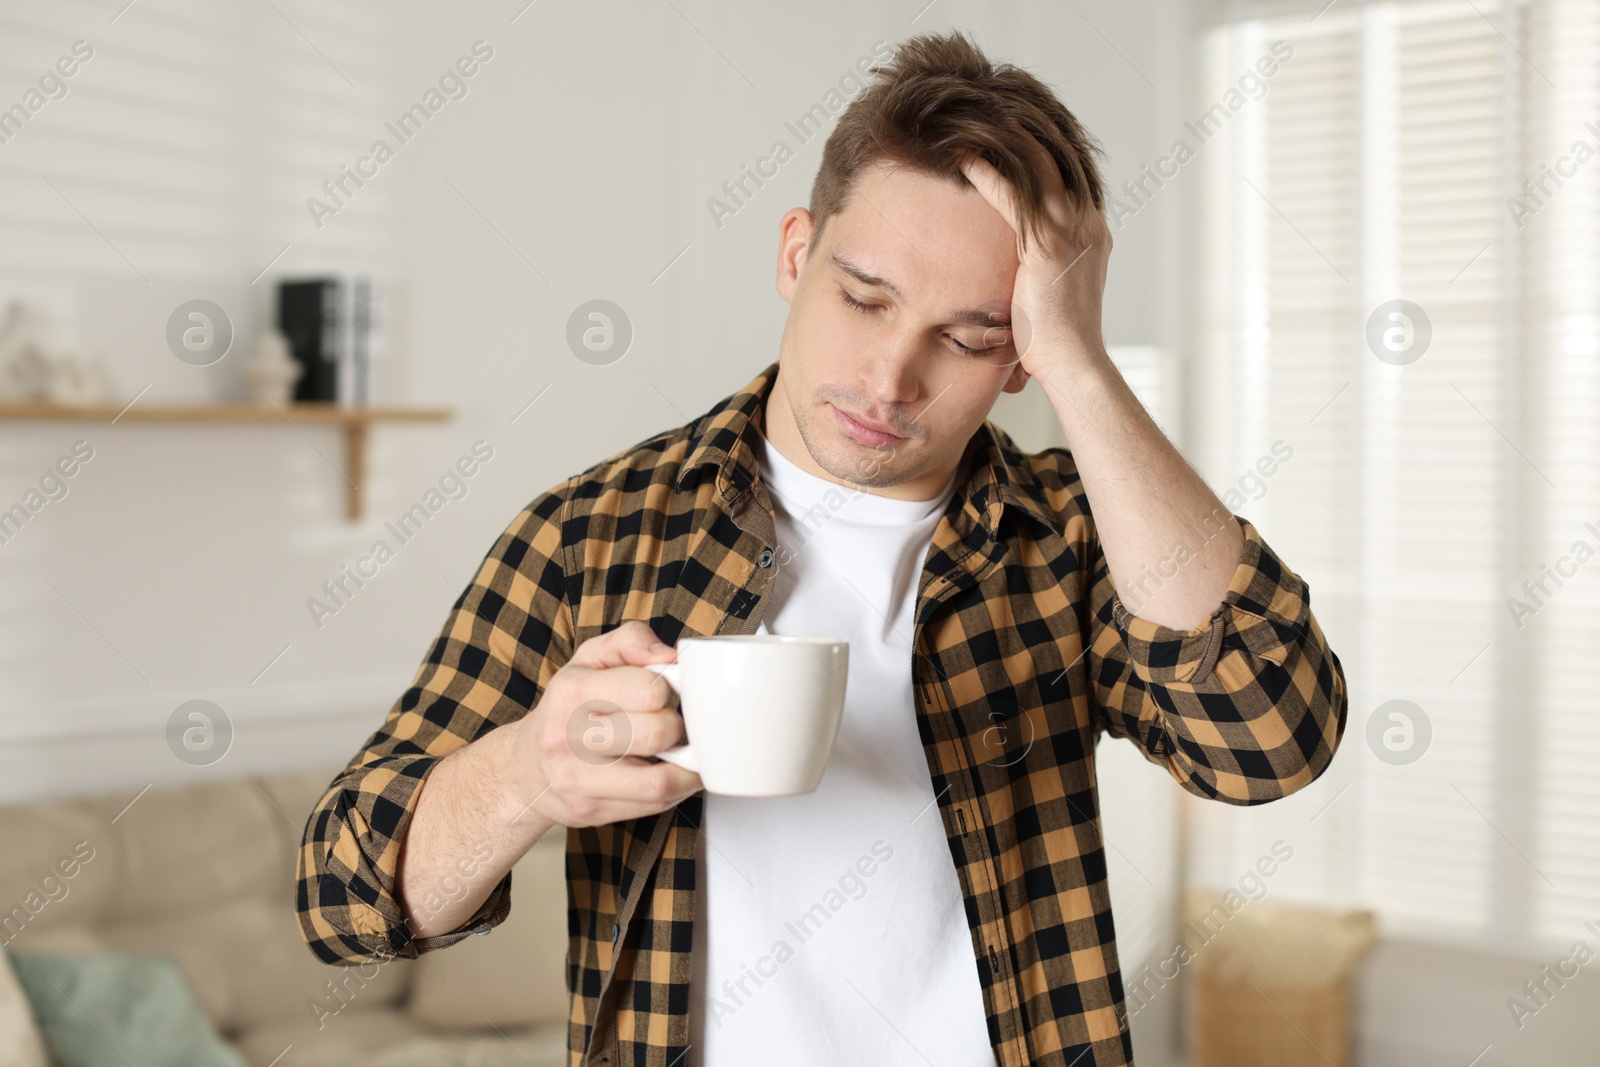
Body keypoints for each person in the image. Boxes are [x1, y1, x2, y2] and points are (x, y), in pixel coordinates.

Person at [295, 29, 1347, 1067]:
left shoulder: (1071, 536)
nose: (890, 379)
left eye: (972, 335)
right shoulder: (592, 532)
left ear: (1018, 353)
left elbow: (1267, 740)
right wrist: (529, 774)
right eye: (864, 296)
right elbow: (342, 898)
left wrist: (1078, 358)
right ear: (795, 252)